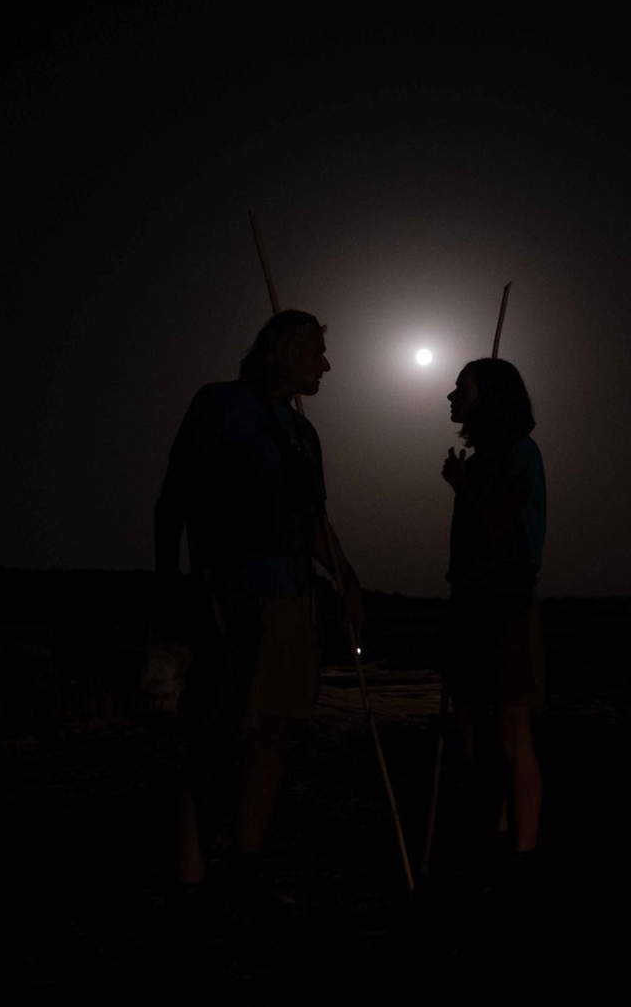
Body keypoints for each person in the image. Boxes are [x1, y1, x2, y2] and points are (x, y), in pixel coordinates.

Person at [153, 309, 363, 914]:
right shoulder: (221, 405)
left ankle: (246, 870)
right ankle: (190, 878)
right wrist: (178, 582)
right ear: (285, 351)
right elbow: (176, 497)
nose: (327, 363)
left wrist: (347, 579)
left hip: (296, 599)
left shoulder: (305, 432)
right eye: (317, 351)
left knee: (275, 732)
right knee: (218, 737)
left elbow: (315, 521)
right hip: (236, 594)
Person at [440, 357, 547, 882]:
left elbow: (503, 524)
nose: (451, 396)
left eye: (463, 387)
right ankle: (496, 826)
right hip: (470, 603)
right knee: (472, 720)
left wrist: (462, 485)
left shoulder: (520, 454)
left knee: (511, 721)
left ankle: (523, 849)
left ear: (491, 396)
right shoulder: (481, 459)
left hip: (504, 603)